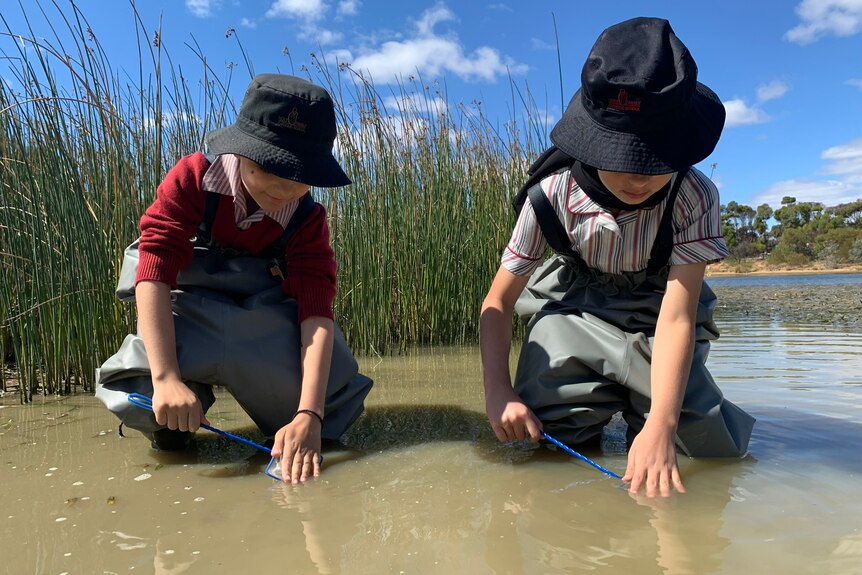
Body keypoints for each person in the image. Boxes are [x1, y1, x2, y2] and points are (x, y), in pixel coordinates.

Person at [479, 17, 754, 497]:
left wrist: (661, 428)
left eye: (655, 159)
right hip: (576, 306)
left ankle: (651, 423)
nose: (637, 178)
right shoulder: (550, 196)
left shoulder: (694, 196)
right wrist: (498, 393)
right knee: (548, 411)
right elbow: (498, 304)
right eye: (621, 157)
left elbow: (676, 319)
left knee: (703, 443)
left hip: (659, 310)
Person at [96, 74, 373, 484]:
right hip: (189, 314)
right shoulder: (191, 177)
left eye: (299, 174)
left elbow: (316, 309)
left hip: (261, 323)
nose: (285, 187)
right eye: (271, 167)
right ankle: (174, 428)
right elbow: (153, 263)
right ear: (240, 150)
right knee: (138, 390)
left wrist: (309, 414)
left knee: (333, 403)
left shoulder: (308, 218)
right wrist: (166, 378)